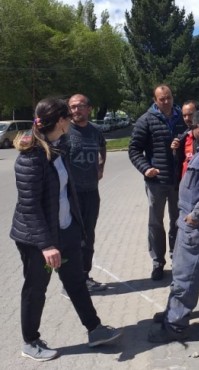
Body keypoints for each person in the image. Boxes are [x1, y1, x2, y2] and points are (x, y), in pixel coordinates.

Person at [10, 98, 122, 362]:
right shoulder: (31, 156)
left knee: (75, 281)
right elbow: (30, 208)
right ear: (61, 121)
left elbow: (64, 192)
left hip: (65, 231)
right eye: (68, 117)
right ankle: (30, 341)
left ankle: (95, 329)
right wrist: (46, 245)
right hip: (37, 240)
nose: (72, 120)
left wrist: (75, 226)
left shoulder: (57, 147)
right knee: (37, 287)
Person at [147, 108, 199, 343]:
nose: (190, 132)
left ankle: (175, 326)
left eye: (192, 127)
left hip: (198, 224)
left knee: (187, 275)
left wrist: (196, 215)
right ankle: (171, 313)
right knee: (180, 272)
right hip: (189, 221)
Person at [129, 84, 186, 280]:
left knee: (178, 221)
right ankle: (157, 261)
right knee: (155, 223)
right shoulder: (146, 120)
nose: (166, 101)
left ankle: (177, 258)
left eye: (168, 97)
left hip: (179, 180)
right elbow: (134, 149)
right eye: (162, 99)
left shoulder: (183, 118)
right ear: (155, 101)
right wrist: (146, 168)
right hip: (156, 181)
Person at [66, 94, 107, 292]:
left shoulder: (95, 131)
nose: (75, 110)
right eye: (72, 107)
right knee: (73, 238)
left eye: (80, 106)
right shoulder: (64, 132)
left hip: (91, 192)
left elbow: (103, 146)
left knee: (88, 236)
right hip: (70, 195)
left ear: (89, 108)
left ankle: (84, 276)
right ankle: (71, 281)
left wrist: (101, 166)